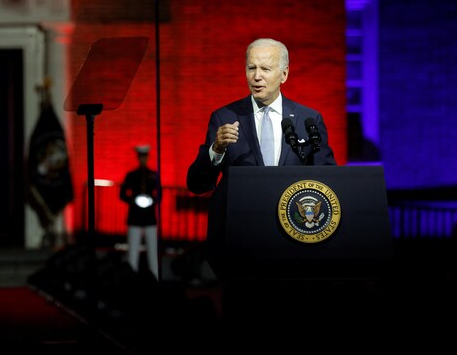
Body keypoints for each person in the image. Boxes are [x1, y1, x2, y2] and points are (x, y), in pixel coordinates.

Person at [186, 38, 337, 331]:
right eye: (251, 67)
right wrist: (215, 150)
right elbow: (197, 183)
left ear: (284, 74)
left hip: (294, 247)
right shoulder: (225, 117)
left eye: (266, 68)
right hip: (241, 245)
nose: (256, 76)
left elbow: (328, 181)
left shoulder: (308, 120)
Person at [119, 145, 160, 280]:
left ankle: (154, 280)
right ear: (138, 157)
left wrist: (151, 201)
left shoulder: (153, 175)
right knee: (132, 252)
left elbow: (159, 195)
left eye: (145, 156)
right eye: (141, 156)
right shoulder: (131, 175)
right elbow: (122, 194)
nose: (143, 159)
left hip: (149, 218)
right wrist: (133, 200)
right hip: (135, 217)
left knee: (152, 252)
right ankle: (132, 280)